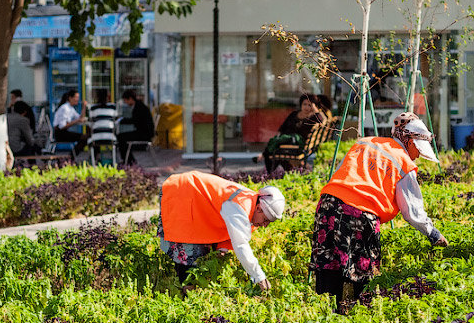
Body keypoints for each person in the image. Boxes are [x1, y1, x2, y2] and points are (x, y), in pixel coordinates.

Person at [310, 112, 449, 310]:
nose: (418, 155)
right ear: (409, 141)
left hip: (328, 205)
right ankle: (356, 315)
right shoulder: (403, 162)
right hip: (359, 215)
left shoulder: (365, 143)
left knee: (330, 265)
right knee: (362, 275)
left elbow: (341, 172)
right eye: (418, 149)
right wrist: (434, 234)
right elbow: (412, 211)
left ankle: (328, 314)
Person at [158, 171, 286, 293]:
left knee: (201, 250)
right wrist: (259, 276)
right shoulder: (240, 207)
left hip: (193, 195)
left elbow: (227, 226)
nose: (264, 225)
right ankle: (186, 294)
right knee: (187, 247)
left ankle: (189, 290)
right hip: (181, 193)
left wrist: (222, 249)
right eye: (265, 220)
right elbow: (241, 245)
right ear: (259, 208)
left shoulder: (250, 203)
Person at [256, 93, 327, 173]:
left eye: (310, 105)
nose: (306, 107)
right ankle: (280, 168)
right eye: (304, 104)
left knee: (273, 151)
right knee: (275, 143)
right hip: (287, 142)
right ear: (301, 104)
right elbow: (282, 128)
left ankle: (268, 168)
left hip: (296, 146)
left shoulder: (312, 118)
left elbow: (323, 119)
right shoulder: (294, 114)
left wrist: (315, 109)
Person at [116, 89, 155, 165]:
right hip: (142, 132)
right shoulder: (138, 105)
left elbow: (135, 120)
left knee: (121, 137)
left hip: (144, 134)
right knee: (122, 137)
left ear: (130, 99)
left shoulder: (139, 107)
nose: (125, 103)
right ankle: (129, 160)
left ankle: (128, 161)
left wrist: (121, 120)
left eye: (125, 101)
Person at [52, 89, 88, 155]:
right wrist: (77, 121)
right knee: (84, 138)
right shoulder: (65, 108)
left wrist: (84, 107)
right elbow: (62, 126)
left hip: (64, 132)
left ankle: (71, 157)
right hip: (60, 134)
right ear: (70, 98)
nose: (77, 99)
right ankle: (71, 157)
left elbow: (79, 118)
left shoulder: (71, 108)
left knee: (85, 137)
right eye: (76, 97)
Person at [88, 89, 118, 162]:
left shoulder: (93, 107)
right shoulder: (113, 107)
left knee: (91, 139)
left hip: (95, 138)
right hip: (110, 137)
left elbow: (90, 124)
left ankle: (94, 160)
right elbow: (116, 122)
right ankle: (114, 160)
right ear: (108, 96)